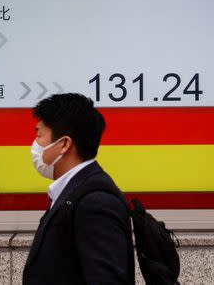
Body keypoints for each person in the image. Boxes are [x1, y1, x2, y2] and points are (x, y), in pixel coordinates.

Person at [23, 93, 135, 285]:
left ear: (64, 144)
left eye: (39, 135)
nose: (35, 144)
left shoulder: (95, 202)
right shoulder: (76, 191)